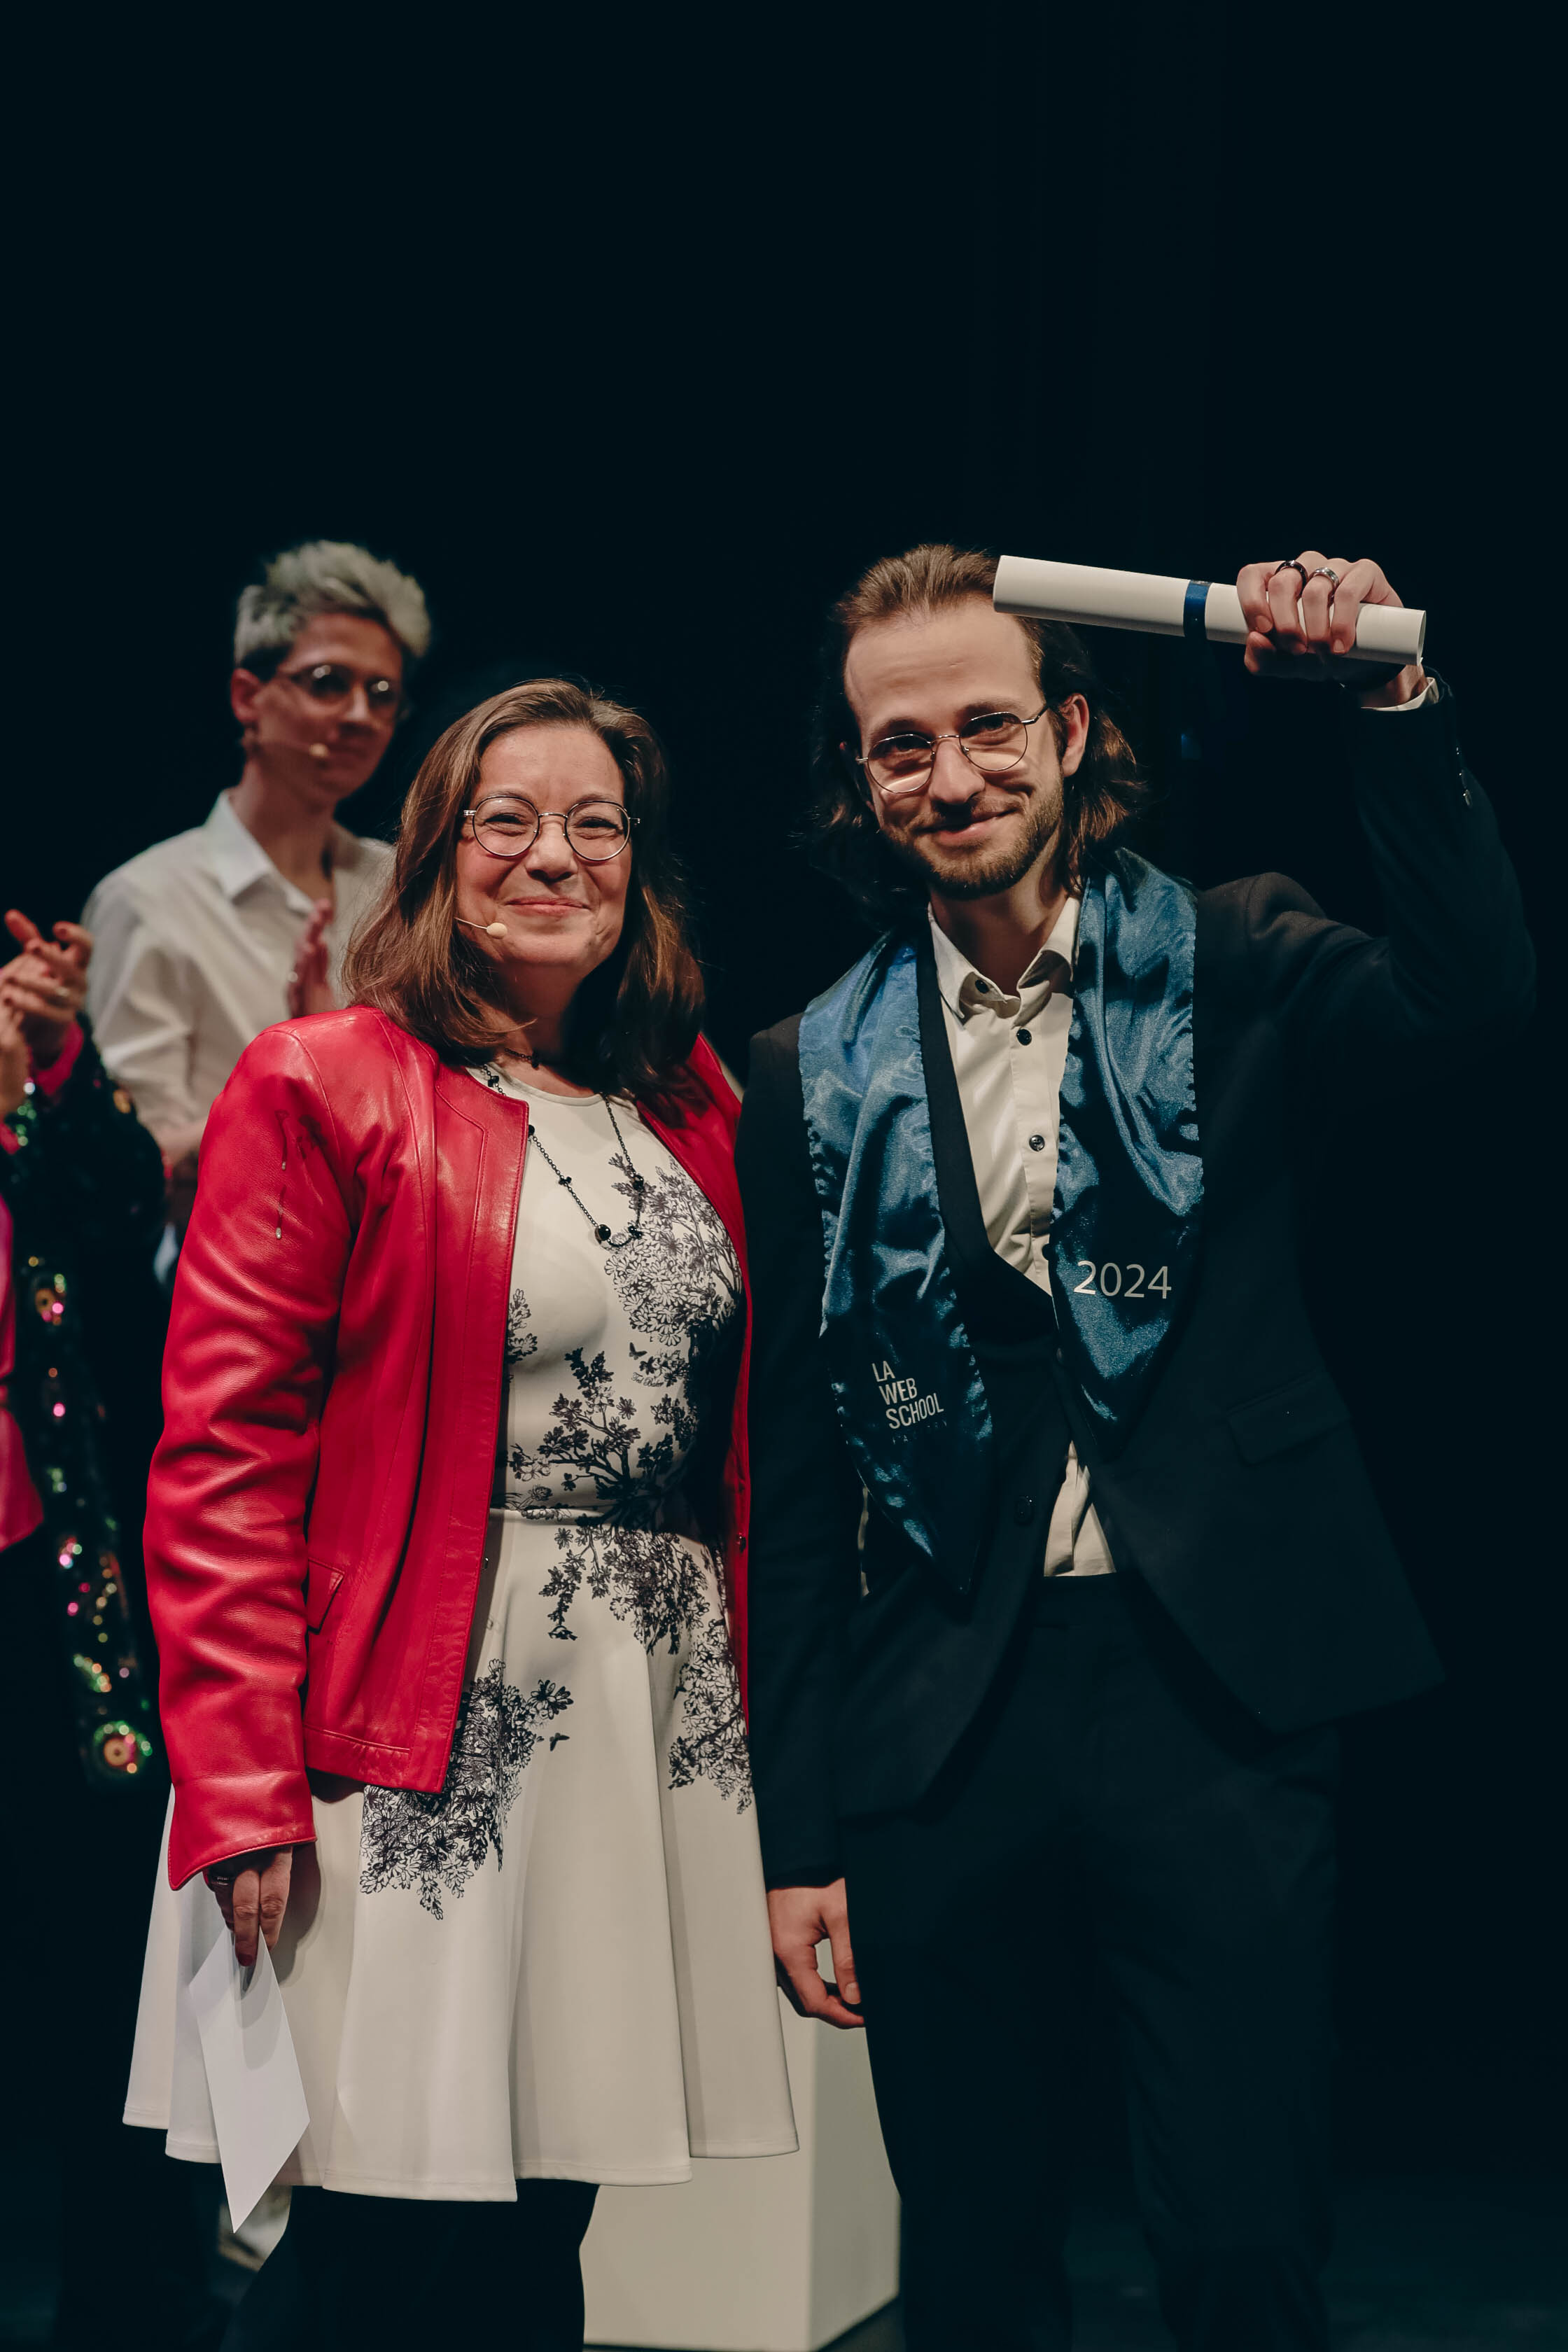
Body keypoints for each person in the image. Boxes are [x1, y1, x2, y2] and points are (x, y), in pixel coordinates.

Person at [736, 542, 1534, 2352]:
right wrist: (798, 1836)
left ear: (1072, 731)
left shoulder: (1234, 953)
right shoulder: (808, 1065)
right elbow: (790, 1474)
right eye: (900, 746)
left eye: (988, 727)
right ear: (860, 786)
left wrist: (1387, 704)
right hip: (940, 1716)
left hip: (1217, 1693)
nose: (951, 776)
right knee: (971, 2260)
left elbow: (1471, 994)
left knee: (1242, 2239)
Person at [124, 678, 795, 2352]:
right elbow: (221, 1450)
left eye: (596, 823)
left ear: (640, 868)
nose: (552, 854)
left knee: (536, 2234)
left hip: (637, 1739)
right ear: (437, 855)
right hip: (404, 1736)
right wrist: (236, 1778)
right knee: (369, 2240)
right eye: (508, 818)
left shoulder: (689, 1100)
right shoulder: (321, 1081)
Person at [1, 913, 226, 2351]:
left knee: (108, 1987)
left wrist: (54, 1062)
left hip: (56, 1594)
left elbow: (123, 1220)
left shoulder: (37, 1104)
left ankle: (132, 2318)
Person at [83, 540, 430, 1226]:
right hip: (227, 1276)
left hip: (390, 1267)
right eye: (329, 681)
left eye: (382, 693)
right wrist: (301, 1078)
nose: (360, 715)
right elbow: (131, 1157)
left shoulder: (398, 884)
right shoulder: (147, 899)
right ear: (249, 696)